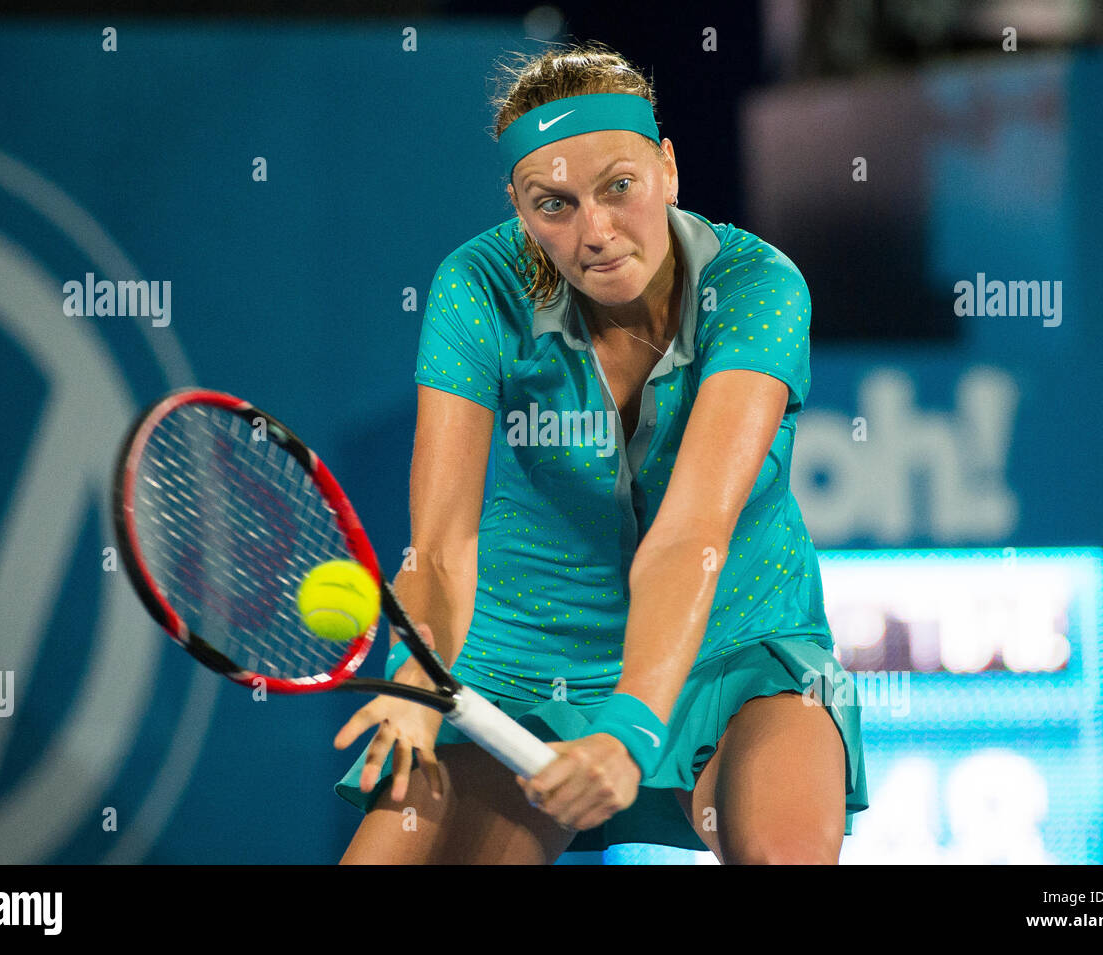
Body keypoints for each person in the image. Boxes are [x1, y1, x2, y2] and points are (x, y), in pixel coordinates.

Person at [333, 40, 868, 864]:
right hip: (524, 670)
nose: (596, 232)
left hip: (737, 648)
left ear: (668, 169)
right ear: (518, 207)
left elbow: (692, 532)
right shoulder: (475, 289)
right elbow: (440, 551)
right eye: (554, 204)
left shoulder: (760, 288)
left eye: (619, 186)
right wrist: (414, 684)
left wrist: (628, 728)